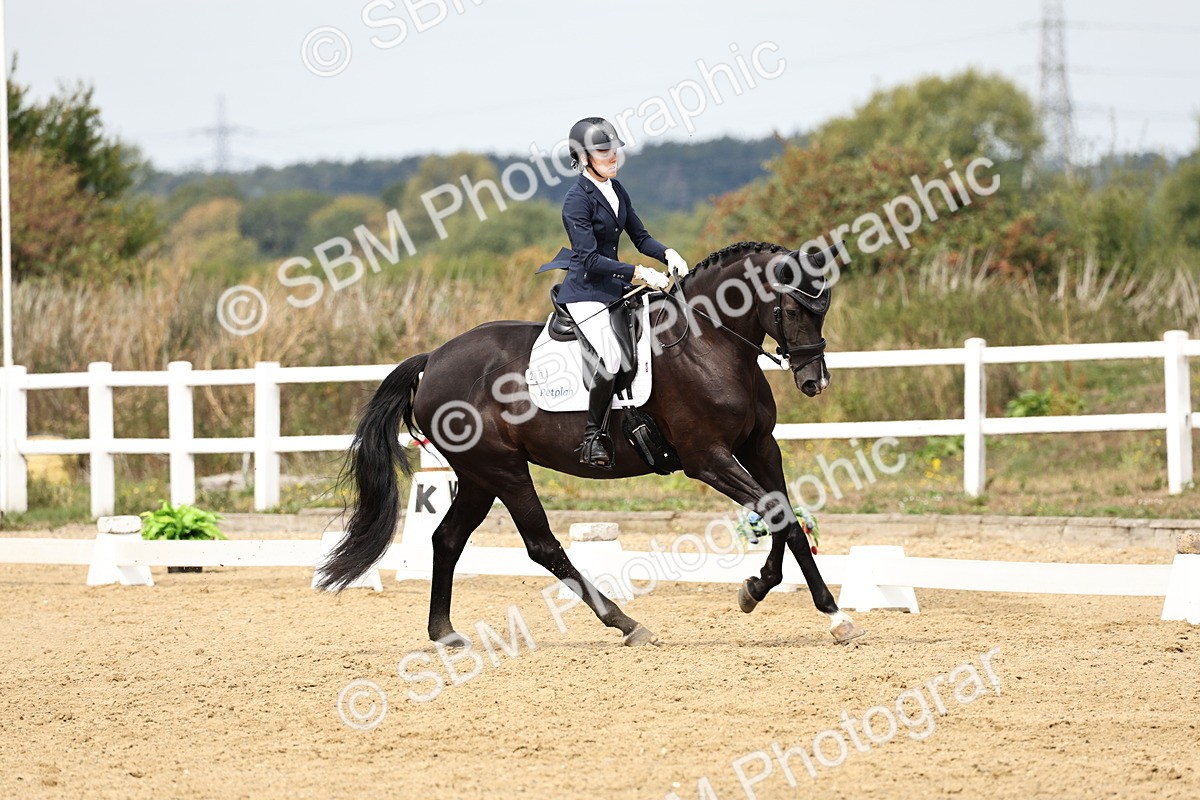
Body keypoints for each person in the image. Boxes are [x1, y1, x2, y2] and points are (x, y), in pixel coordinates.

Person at [555, 117, 689, 469]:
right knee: (611, 359)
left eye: (613, 149)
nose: (612, 156)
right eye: (603, 152)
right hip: (586, 292)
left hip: (615, 288)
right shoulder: (576, 200)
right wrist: (638, 273)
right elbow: (588, 258)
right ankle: (593, 437)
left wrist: (667, 254)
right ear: (583, 157)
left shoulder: (616, 189)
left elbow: (640, 238)